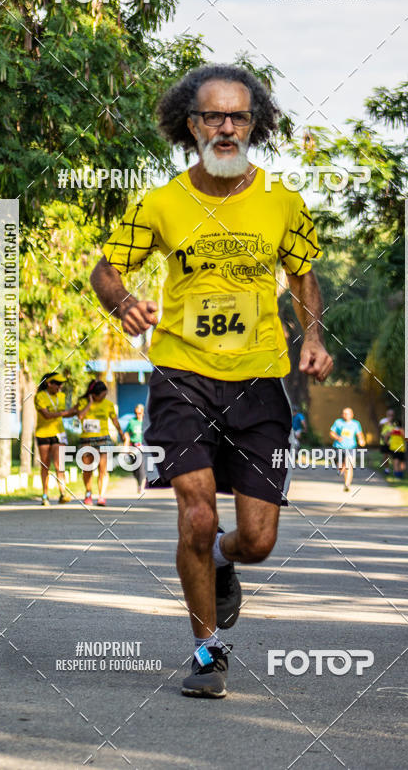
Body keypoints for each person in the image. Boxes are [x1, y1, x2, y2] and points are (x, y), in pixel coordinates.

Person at [90, 63, 333, 698]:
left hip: (258, 380)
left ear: (256, 124)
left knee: (257, 539)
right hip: (182, 375)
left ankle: (226, 564)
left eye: (239, 117)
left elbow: (304, 277)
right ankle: (206, 652)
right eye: (212, 117)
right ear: (188, 125)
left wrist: (311, 335)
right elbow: (106, 269)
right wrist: (123, 304)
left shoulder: (284, 203)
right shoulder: (161, 202)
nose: (226, 128)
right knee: (196, 517)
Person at [76, 380, 124, 506]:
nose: (104, 397)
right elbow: (80, 416)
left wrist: (121, 433)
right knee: (87, 468)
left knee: (102, 469)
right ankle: (88, 493)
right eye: (101, 395)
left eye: (105, 395)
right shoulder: (83, 402)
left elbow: (115, 421)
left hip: (103, 439)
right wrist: (90, 404)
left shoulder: (108, 404)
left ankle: (101, 496)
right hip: (87, 439)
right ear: (93, 394)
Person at [34, 372, 76, 505]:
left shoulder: (62, 396)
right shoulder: (39, 396)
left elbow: (63, 415)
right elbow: (47, 415)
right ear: (49, 383)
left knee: (59, 464)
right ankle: (45, 495)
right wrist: (66, 412)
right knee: (45, 465)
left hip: (59, 434)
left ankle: (62, 493)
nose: (60, 386)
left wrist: (76, 411)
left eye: (61, 384)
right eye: (57, 383)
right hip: (43, 434)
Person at [329, 407, 365, 492]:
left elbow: (359, 433)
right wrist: (337, 437)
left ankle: (347, 484)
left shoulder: (356, 424)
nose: (345, 415)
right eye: (344, 413)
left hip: (351, 447)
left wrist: (361, 439)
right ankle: (340, 468)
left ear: (352, 415)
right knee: (341, 466)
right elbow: (331, 433)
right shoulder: (338, 422)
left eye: (347, 413)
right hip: (339, 447)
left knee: (349, 466)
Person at [123, 403, 146, 494]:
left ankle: (141, 486)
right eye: (136, 413)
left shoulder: (146, 422)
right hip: (133, 447)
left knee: (141, 466)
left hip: (143, 447)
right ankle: (139, 482)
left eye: (139, 413)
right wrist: (126, 446)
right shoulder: (132, 422)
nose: (138, 414)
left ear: (143, 413)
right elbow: (127, 434)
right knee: (134, 468)